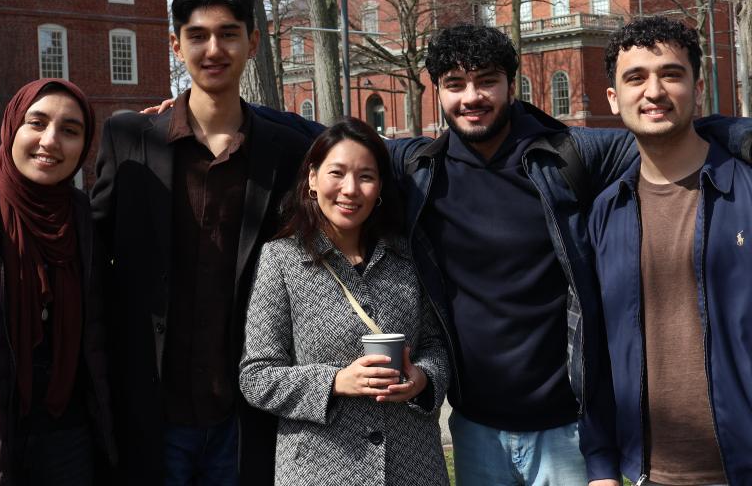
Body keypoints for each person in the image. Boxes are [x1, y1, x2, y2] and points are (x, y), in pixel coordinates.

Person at [245, 24, 752, 485]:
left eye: (486, 81)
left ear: (512, 85)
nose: (472, 97)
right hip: (474, 428)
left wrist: (738, 132)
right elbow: (326, 142)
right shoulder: (418, 167)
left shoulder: (570, 154)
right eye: (455, 84)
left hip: (566, 427)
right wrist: (207, 108)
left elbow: (666, 125)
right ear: (436, 91)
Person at [90, 0, 311, 486]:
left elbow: (349, 147)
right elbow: (94, 252)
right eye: (198, 35)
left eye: (229, 33)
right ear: (176, 44)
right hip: (152, 405)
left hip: (243, 412)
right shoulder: (130, 139)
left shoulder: (288, 151)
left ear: (253, 42)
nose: (214, 49)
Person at [583, 16, 751, 486]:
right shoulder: (605, 212)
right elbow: (594, 350)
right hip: (645, 474)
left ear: (698, 90)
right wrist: (601, 467)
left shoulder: (748, 194)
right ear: (613, 99)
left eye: (671, 74)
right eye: (635, 78)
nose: (653, 91)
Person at [238, 117, 449, 486]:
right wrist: (336, 381)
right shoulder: (282, 260)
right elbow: (256, 376)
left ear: (380, 186)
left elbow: (435, 344)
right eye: (337, 173)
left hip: (412, 466)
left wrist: (423, 379)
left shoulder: (407, 257)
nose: (350, 189)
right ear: (313, 178)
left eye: (366, 176)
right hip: (319, 469)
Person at [0, 78, 116, 485]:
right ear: (12, 127)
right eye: (37, 123)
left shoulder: (86, 223)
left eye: (70, 130)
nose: (51, 141)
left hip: (69, 442)